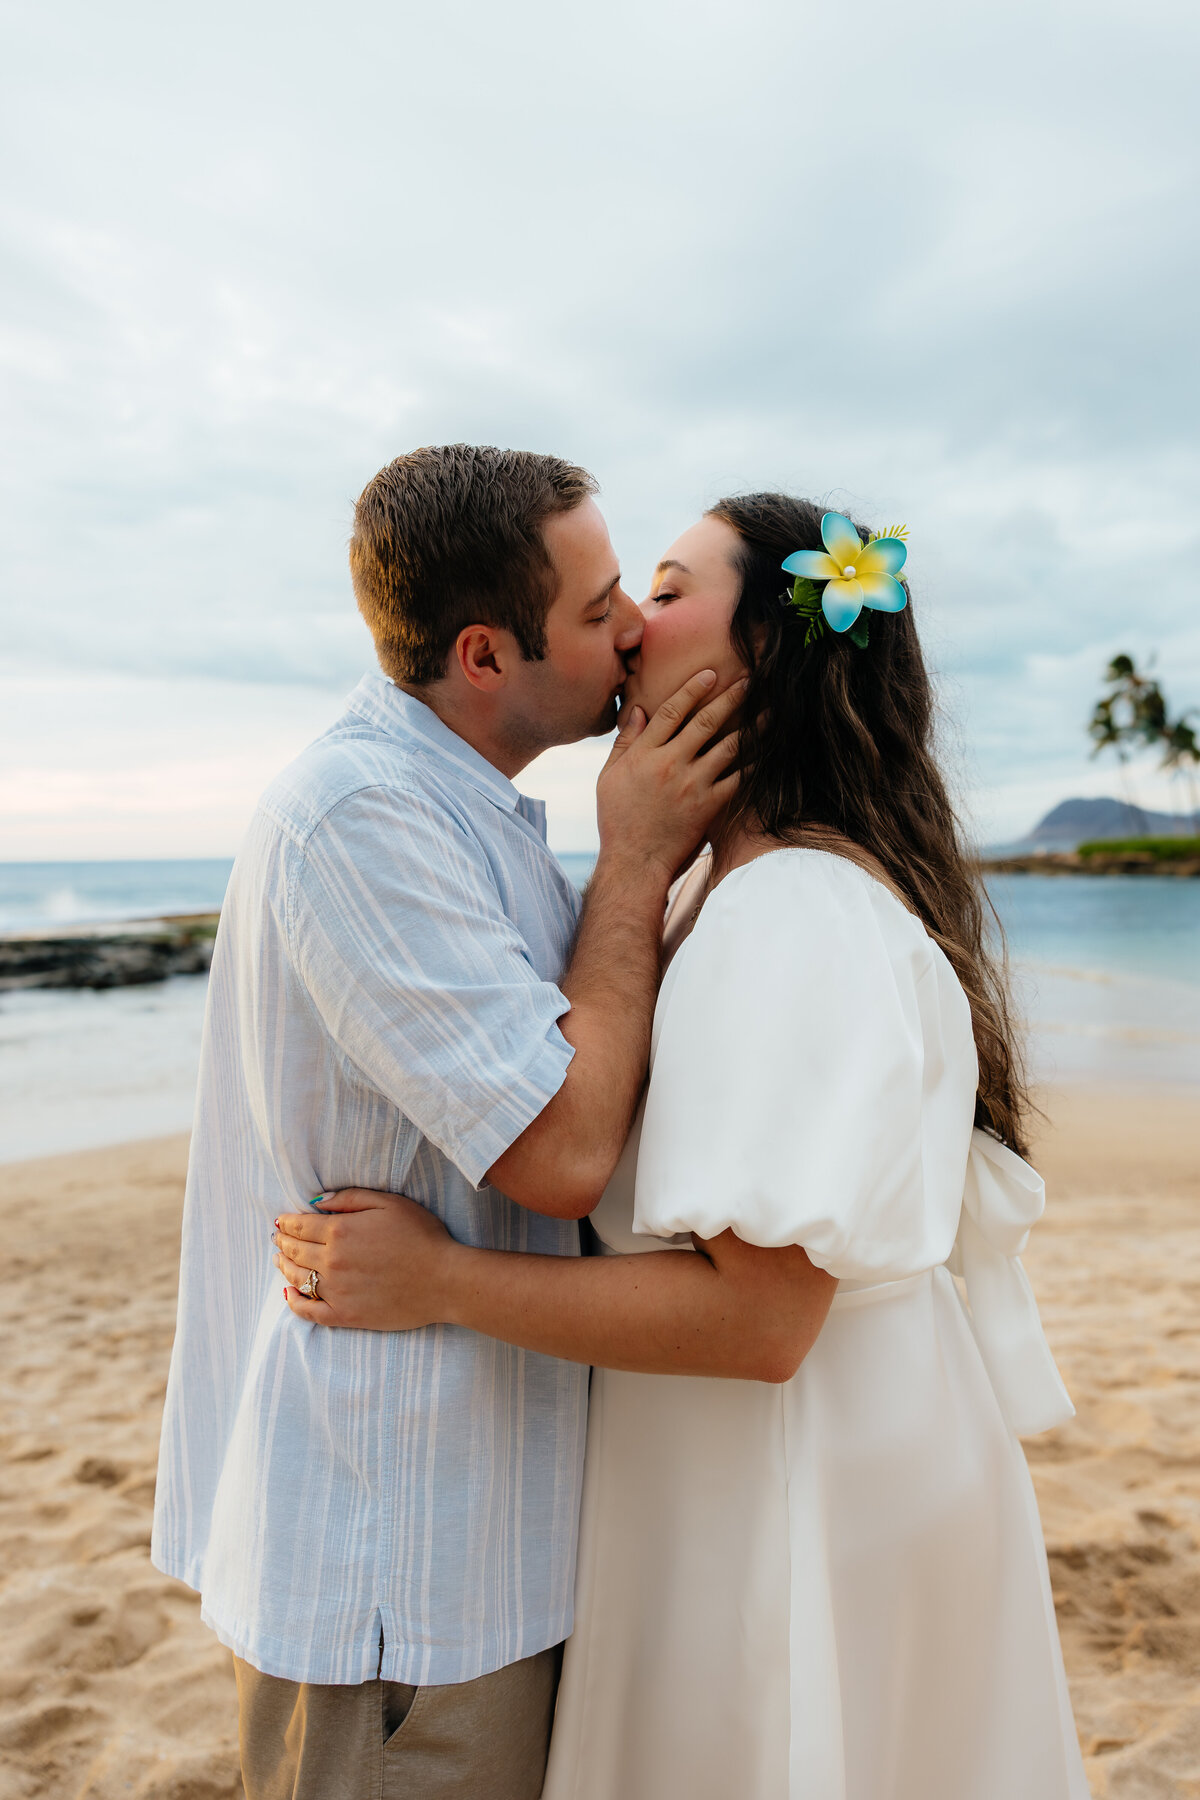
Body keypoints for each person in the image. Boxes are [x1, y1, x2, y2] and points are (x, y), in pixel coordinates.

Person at [274, 492, 1092, 1799]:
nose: (634, 625)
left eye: (665, 585)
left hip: (790, 1470)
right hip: (806, 1449)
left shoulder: (788, 915)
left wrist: (439, 1283)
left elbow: (762, 1323)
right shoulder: (731, 891)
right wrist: (636, 863)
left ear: (761, 654)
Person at [151, 444, 748, 1800]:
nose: (635, 628)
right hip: (402, 1560)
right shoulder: (363, 816)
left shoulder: (471, 813)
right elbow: (562, 1150)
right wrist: (641, 857)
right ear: (485, 656)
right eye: (601, 608)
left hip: (483, 1532)